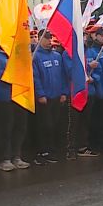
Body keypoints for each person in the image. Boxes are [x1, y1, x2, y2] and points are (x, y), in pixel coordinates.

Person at [31, 29, 68, 165]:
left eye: (49, 38)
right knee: (44, 125)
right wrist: (40, 94)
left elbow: (62, 76)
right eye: (45, 38)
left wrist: (64, 92)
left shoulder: (57, 56)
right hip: (44, 98)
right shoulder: (35, 57)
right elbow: (36, 78)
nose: (48, 41)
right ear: (40, 39)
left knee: (54, 124)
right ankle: (43, 152)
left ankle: (52, 149)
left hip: (56, 97)